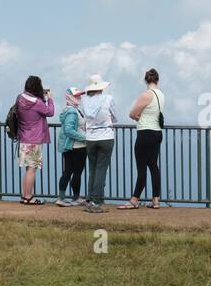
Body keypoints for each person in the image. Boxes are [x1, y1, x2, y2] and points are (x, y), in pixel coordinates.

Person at [120, 68, 165, 209]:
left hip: (145, 133)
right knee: (153, 166)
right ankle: (156, 200)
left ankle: (134, 200)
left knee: (141, 168)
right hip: (157, 133)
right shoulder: (161, 95)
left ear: (146, 80)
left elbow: (132, 114)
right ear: (157, 80)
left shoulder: (146, 95)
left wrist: (140, 118)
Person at [15, 75, 55, 205]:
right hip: (35, 139)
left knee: (28, 169)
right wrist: (50, 99)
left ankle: (24, 195)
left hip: (24, 138)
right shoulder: (37, 103)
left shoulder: (20, 99)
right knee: (32, 169)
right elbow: (50, 112)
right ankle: (28, 197)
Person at [80, 74, 116, 212]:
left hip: (90, 138)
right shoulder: (108, 99)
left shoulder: (84, 101)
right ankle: (96, 201)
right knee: (101, 169)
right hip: (106, 136)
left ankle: (91, 198)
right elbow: (115, 116)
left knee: (93, 169)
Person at [55, 87, 88, 206]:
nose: (79, 97)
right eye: (76, 95)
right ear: (70, 97)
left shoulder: (70, 110)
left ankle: (63, 197)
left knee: (68, 171)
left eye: (79, 95)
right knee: (75, 172)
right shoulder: (73, 112)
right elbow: (69, 130)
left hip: (69, 146)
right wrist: (85, 138)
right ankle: (73, 198)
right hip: (77, 146)